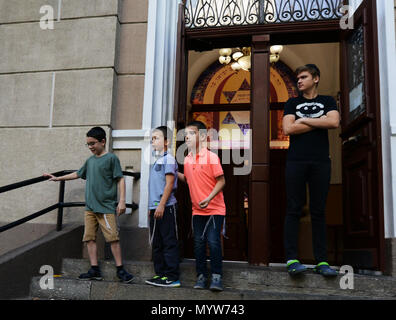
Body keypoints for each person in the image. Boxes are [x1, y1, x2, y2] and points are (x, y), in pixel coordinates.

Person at [44, 126, 134, 283]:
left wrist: (122, 201)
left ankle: (120, 270)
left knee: (113, 238)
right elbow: (78, 174)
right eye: (88, 144)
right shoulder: (90, 161)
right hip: (90, 208)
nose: (90, 147)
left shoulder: (111, 159)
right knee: (89, 238)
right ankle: (94, 269)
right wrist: (58, 178)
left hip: (106, 208)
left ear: (103, 141)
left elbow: (120, 179)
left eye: (93, 143)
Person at [282, 64, 340, 277]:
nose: (299, 81)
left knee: (318, 210)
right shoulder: (292, 102)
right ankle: (292, 259)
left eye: (304, 77)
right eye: (298, 78)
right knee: (294, 208)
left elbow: (334, 122)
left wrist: (304, 119)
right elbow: (288, 128)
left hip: (321, 162)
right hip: (296, 161)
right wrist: (320, 121)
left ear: (315, 79)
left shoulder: (327, 100)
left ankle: (322, 261)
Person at [178, 121, 226, 291]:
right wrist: (173, 171)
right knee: (198, 244)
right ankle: (200, 276)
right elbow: (189, 180)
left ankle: (216, 277)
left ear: (203, 136)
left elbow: (221, 181)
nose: (187, 136)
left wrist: (209, 198)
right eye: (186, 134)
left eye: (191, 133)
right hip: (197, 210)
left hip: (215, 209)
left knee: (213, 242)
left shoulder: (212, 157)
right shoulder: (186, 159)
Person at [145, 126, 181, 288]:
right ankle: (160, 274)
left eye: (156, 138)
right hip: (155, 208)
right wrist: (151, 207)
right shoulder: (157, 161)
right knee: (157, 243)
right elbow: (155, 186)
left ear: (166, 142)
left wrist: (161, 205)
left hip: (166, 208)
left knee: (168, 242)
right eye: (152, 138)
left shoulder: (169, 159)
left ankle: (172, 277)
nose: (153, 141)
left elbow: (169, 184)